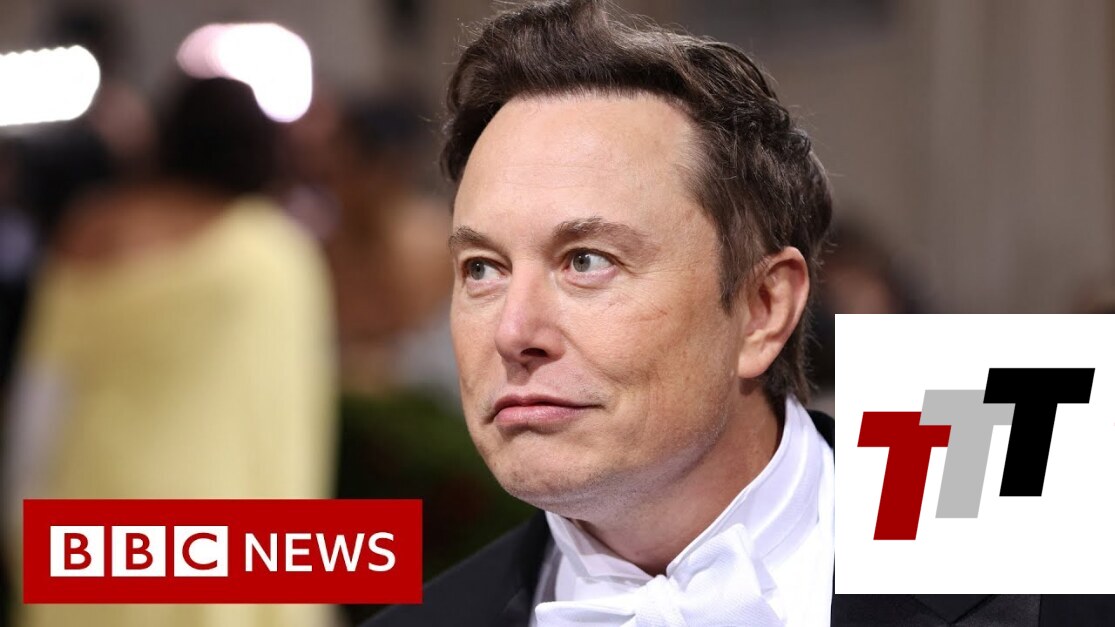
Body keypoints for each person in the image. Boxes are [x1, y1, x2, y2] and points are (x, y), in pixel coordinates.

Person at [371, 1, 1115, 625]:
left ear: (763, 307)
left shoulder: (1048, 559)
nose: (513, 332)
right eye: (482, 269)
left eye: (587, 260)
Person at [3, 77, 337, 627]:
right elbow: (290, 423)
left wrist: (22, 529)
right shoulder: (272, 254)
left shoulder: (89, 233)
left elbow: (40, 401)